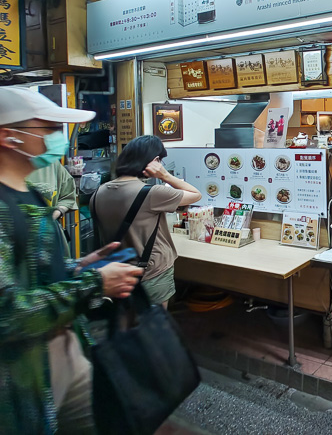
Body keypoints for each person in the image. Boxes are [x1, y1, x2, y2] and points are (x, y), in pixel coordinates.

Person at [0, 86, 144, 434]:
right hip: (24, 377)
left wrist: (79, 265)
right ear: (9, 137)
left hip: (65, 348)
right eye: (46, 129)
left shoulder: (29, 191)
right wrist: (94, 283)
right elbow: (7, 313)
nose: (56, 138)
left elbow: (32, 270)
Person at [91, 136, 201, 308]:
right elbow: (195, 194)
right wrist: (165, 176)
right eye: (160, 161)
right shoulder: (151, 194)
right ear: (155, 161)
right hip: (152, 273)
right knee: (155, 327)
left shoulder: (98, 193)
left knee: (125, 323)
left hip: (117, 273)